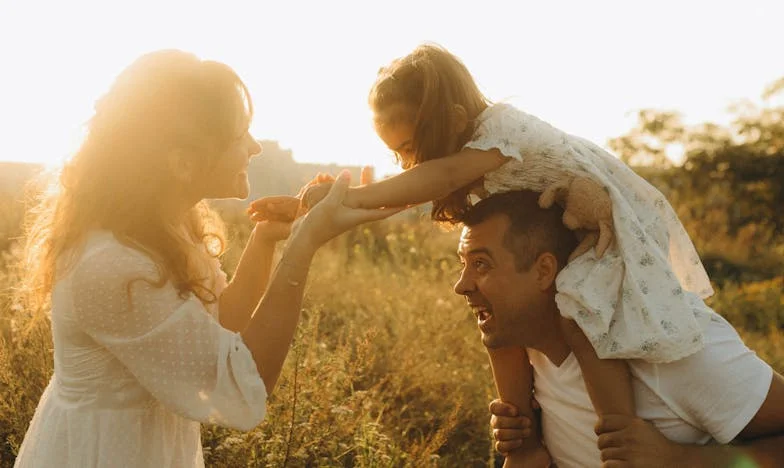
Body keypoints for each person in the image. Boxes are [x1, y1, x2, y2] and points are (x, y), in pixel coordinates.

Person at [252, 43, 713, 465]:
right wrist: (309, 208)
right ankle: (526, 444)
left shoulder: (500, 127)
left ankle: (619, 436)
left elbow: (432, 178)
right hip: (543, 231)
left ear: (451, 119)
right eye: (397, 154)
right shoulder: (455, 156)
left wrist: (347, 198)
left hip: (595, 226)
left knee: (579, 307)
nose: (407, 164)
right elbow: (404, 192)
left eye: (409, 148)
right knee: (495, 312)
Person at [13, 50, 400, 468]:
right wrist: (304, 244)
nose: (253, 147)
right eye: (240, 135)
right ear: (183, 162)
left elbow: (224, 319)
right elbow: (245, 378)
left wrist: (266, 239)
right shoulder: (112, 265)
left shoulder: (164, 229)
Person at [457, 191, 784, 467]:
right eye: (463, 264)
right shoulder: (524, 347)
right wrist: (526, 434)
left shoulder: (671, 347)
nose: (461, 285)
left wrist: (677, 459)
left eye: (481, 264)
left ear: (544, 271)